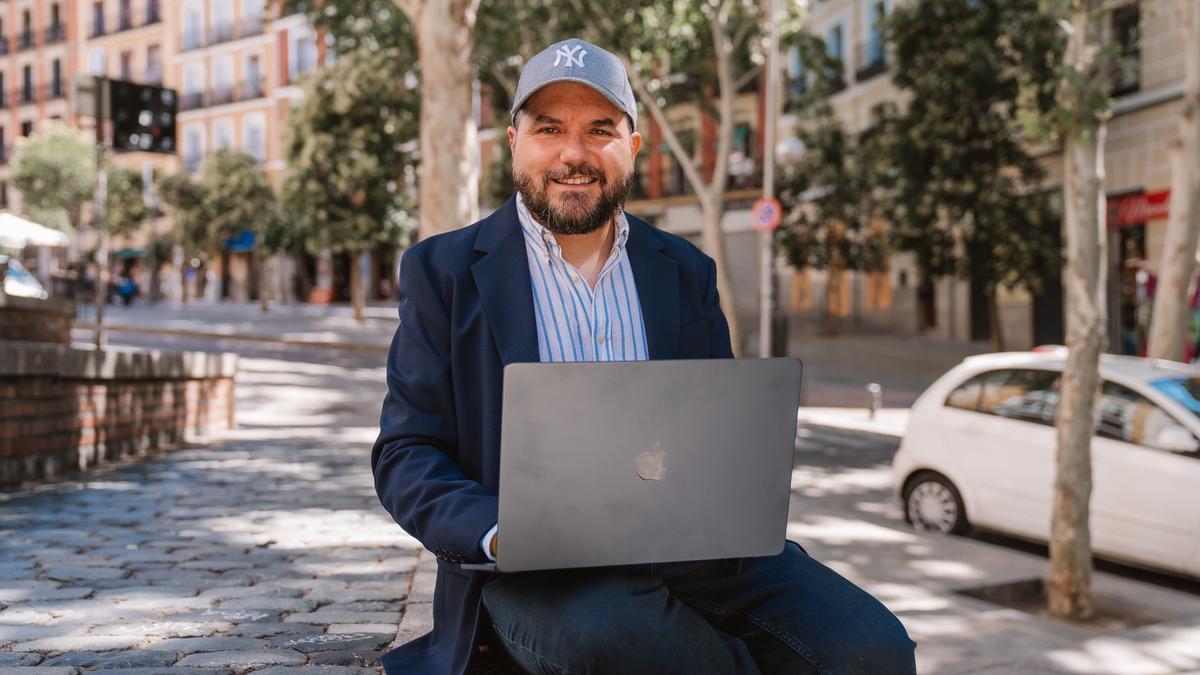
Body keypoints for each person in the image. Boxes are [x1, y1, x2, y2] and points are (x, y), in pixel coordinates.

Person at [372, 38, 916, 675]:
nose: (574, 153)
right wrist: (497, 531)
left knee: (875, 647)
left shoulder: (684, 270)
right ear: (515, 141)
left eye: (600, 129)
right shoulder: (444, 271)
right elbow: (406, 453)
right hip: (538, 574)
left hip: (700, 557)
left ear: (632, 147)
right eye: (550, 128)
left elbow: (717, 430)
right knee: (618, 638)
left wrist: (737, 487)